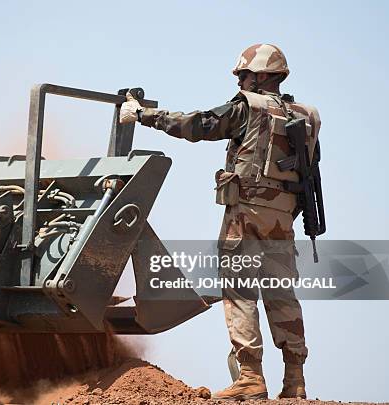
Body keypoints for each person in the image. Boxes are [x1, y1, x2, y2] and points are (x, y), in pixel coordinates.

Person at [120, 43, 321, 400]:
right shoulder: (305, 117)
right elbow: (310, 167)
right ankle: (295, 382)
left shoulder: (247, 108)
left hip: (245, 212)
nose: (241, 82)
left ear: (260, 75)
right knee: (282, 294)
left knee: (239, 289)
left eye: (244, 75)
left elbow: (197, 125)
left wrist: (143, 115)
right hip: (284, 218)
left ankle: (250, 378)